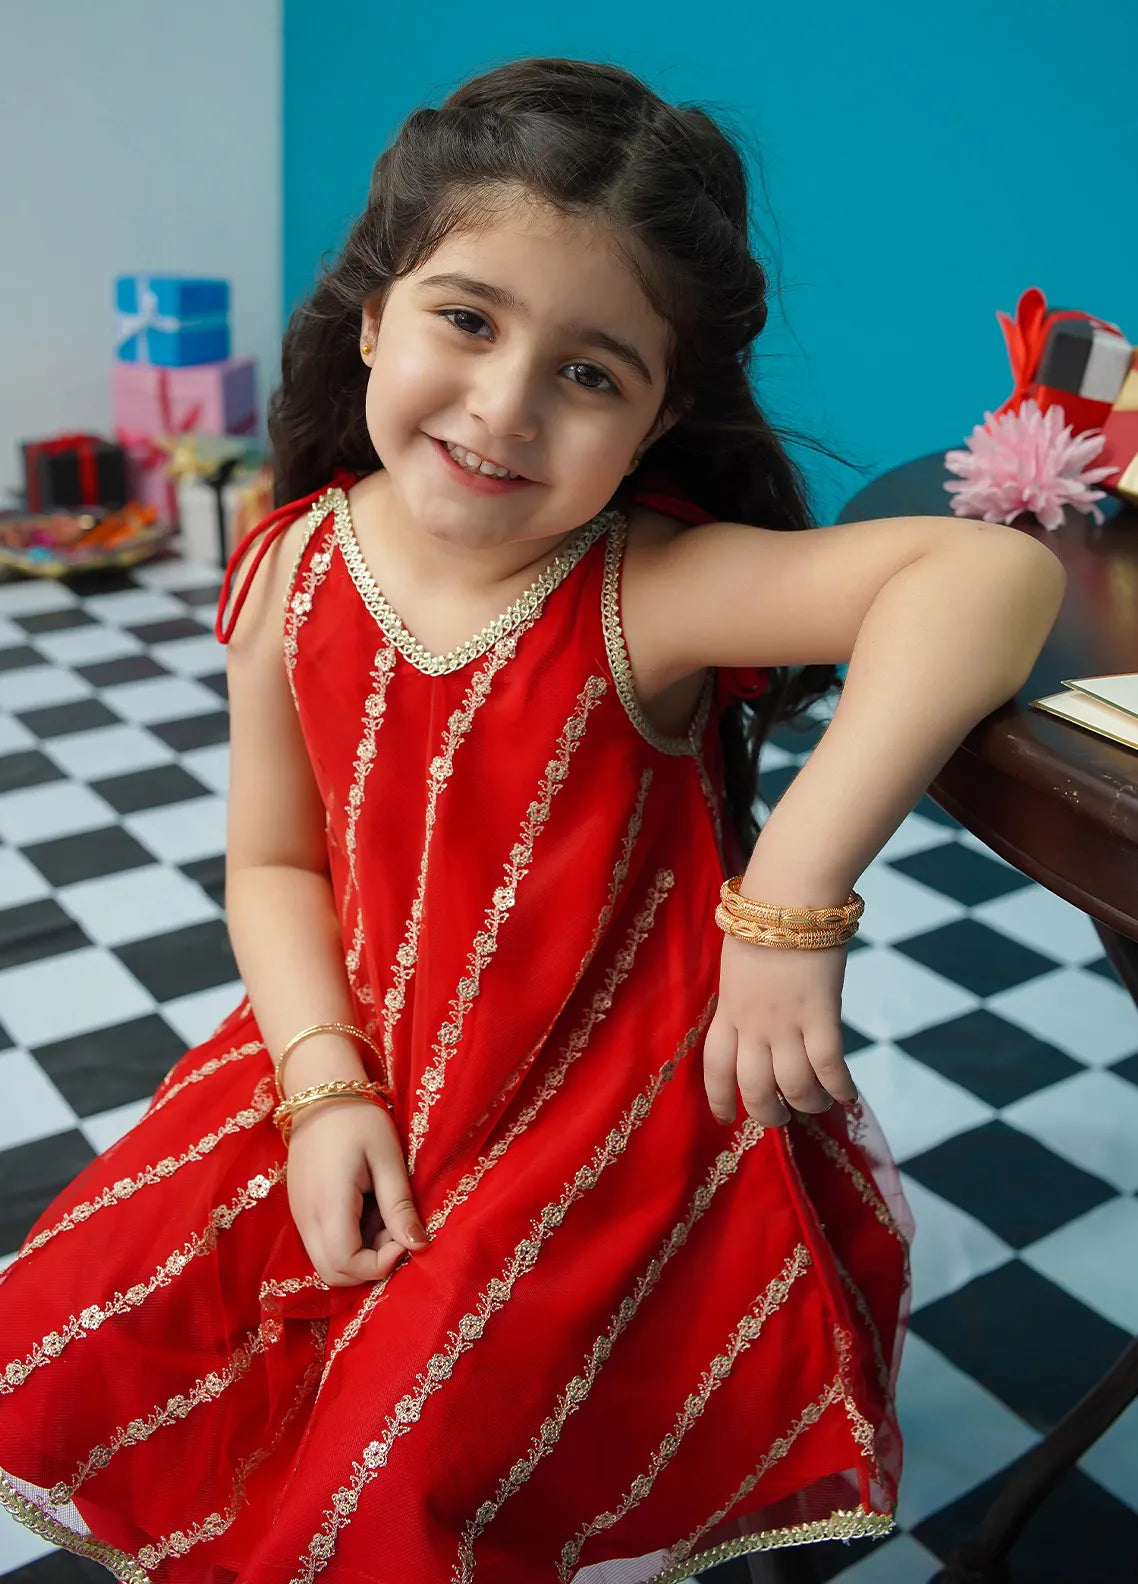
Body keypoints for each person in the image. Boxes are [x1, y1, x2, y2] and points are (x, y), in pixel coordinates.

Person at [0, 56, 1065, 1584]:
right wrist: (323, 1088)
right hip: (349, 1054)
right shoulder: (289, 565)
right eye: (466, 319)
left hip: (591, 1113)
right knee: (123, 1331)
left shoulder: (641, 590)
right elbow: (274, 862)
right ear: (373, 315)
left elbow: (993, 575)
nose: (503, 408)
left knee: (412, 1451)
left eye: (590, 373)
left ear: (655, 416)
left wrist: (785, 907)